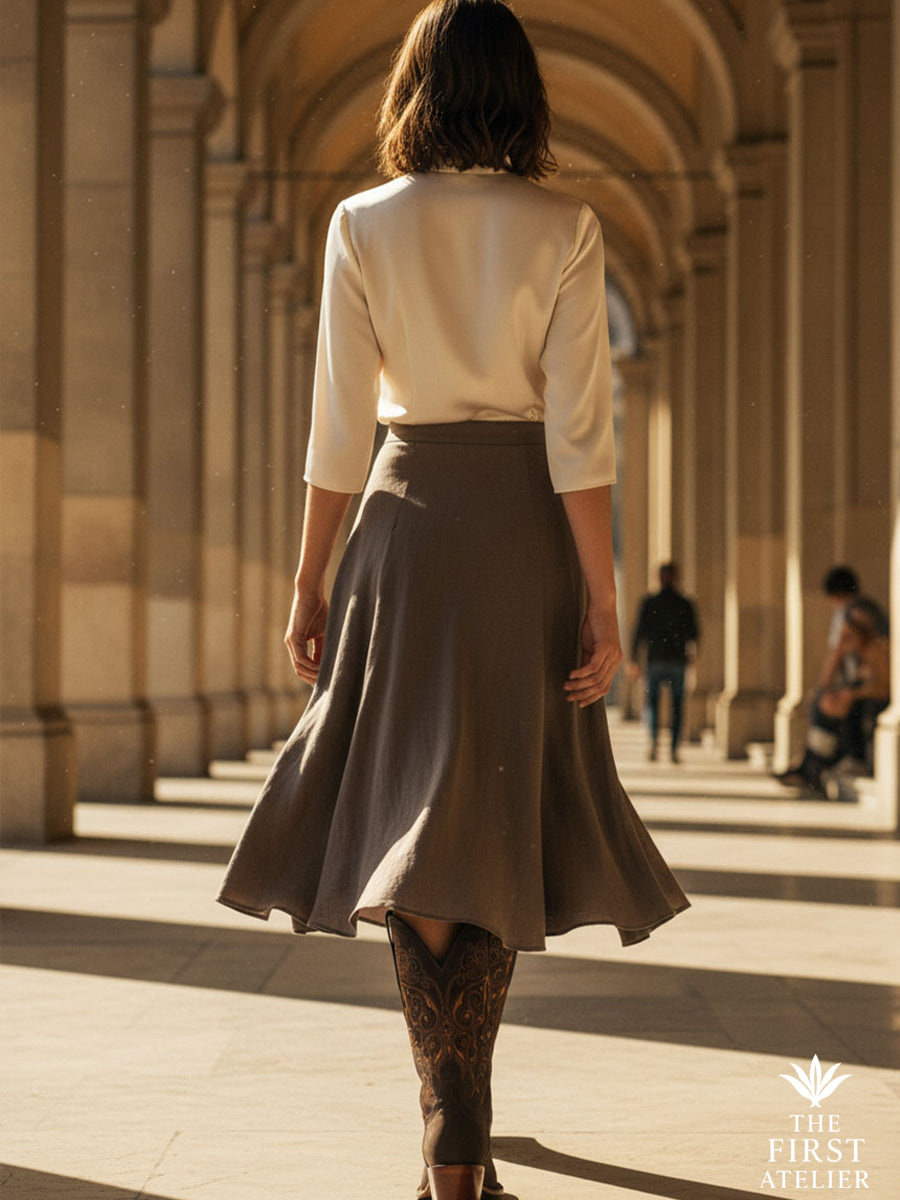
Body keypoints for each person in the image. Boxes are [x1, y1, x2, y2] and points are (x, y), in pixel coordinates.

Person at [216, 4, 689, 1197]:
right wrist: (602, 591)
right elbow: (582, 438)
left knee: (409, 818)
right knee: (491, 810)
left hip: (403, 526)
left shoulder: (361, 222)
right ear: (523, 91)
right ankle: (461, 1121)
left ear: (412, 89)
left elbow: (337, 425)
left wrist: (309, 574)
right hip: (525, 530)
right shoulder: (567, 225)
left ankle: (449, 1119)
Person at [778, 599, 891, 794]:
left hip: (869, 709)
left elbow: (885, 689)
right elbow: (824, 684)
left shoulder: (877, 650)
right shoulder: (853, 652)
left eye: (854, 626)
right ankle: (809, 763)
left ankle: (811, 765)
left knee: (829, 704)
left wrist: (853, 694)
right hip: (853, 710)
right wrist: (838, 651)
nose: (849, 630)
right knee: (822, 699)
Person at [627, 562, 699, 763]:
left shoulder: (650, 603)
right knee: (676, 706)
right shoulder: (684, 604)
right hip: (676, 660)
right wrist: (692, 655)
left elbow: (638, 633)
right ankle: (674, 749)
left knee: (653, 704)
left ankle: (654, 745)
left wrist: (634, 659)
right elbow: (694, 633)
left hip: (656, 660)